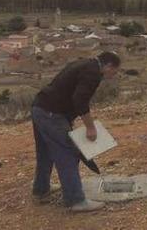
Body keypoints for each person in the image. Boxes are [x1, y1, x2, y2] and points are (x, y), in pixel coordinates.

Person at [31, 50, 121, 212]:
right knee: (68, 154)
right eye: (114, 70)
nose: (114, 74)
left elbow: (68, 92)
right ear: (108, 65)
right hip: (52, 114)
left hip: (40, 108)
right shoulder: (93, 73)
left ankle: (41, 189)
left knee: (45, 152)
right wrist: (90, 127)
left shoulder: (84, 63)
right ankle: (75, 200)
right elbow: (80, 100)